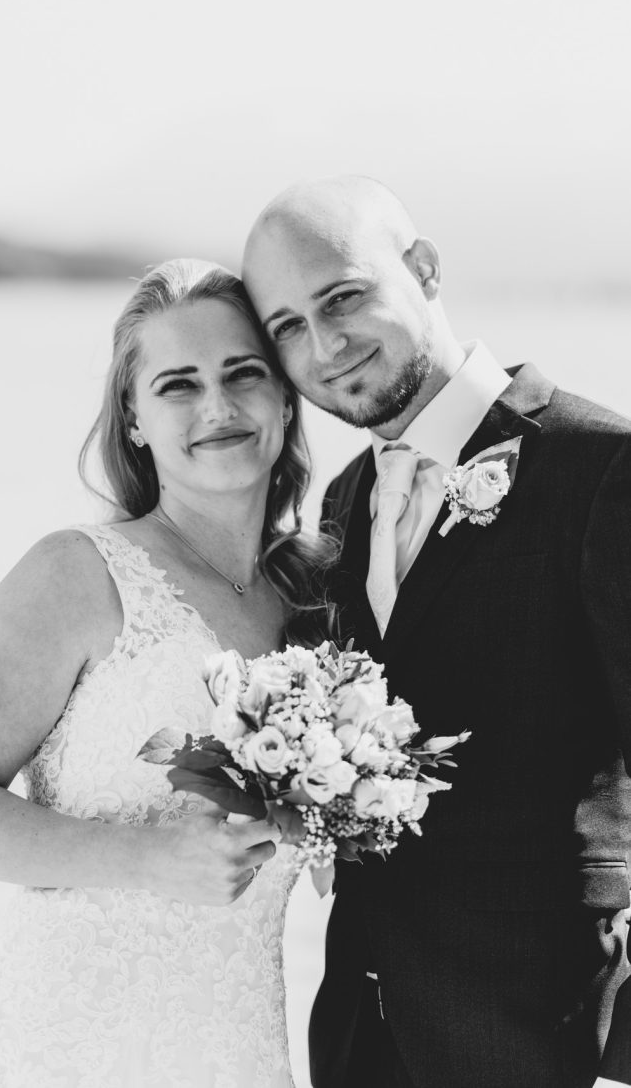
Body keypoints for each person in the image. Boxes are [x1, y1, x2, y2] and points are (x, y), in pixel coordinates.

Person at [243, 175, 631, 1088]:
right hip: (362, 1034)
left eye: (343, 297)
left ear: (422, 268)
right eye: (288, 327)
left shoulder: (601, 470)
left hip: (554, 1039)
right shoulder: (343, 506)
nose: (325, 346)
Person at [0, 257, 332, 1088]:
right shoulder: (78, 573)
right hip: (76, 1046)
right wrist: (144, 859)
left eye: (243, 373)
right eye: (178, 384)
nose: (217, 406)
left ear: (286, 397)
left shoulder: (320, 599)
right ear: (133, 418)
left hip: (241, 1045)